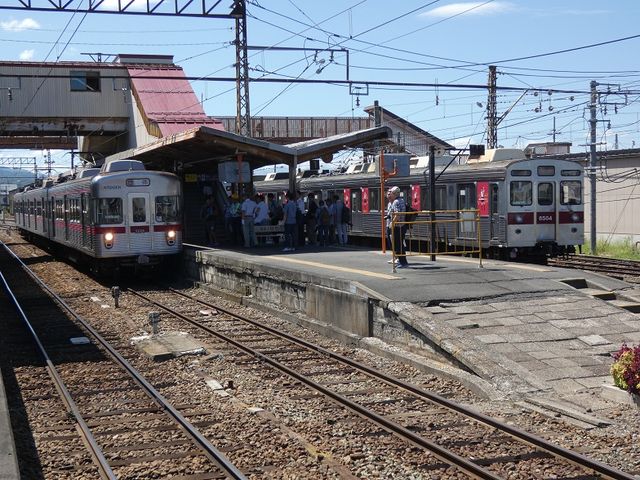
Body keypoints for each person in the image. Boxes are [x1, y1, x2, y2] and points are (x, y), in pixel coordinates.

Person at [388, 186, 409, 268]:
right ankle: (404, 262)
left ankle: (402, 262)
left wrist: (392, 223)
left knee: (398, 245)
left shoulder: (396, 202)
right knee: (400, 244)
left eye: (392, 193)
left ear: (394, 194)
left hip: (397, 226)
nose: (390, 195)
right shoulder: (402, 200)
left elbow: (397, 214)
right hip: (402, 225)